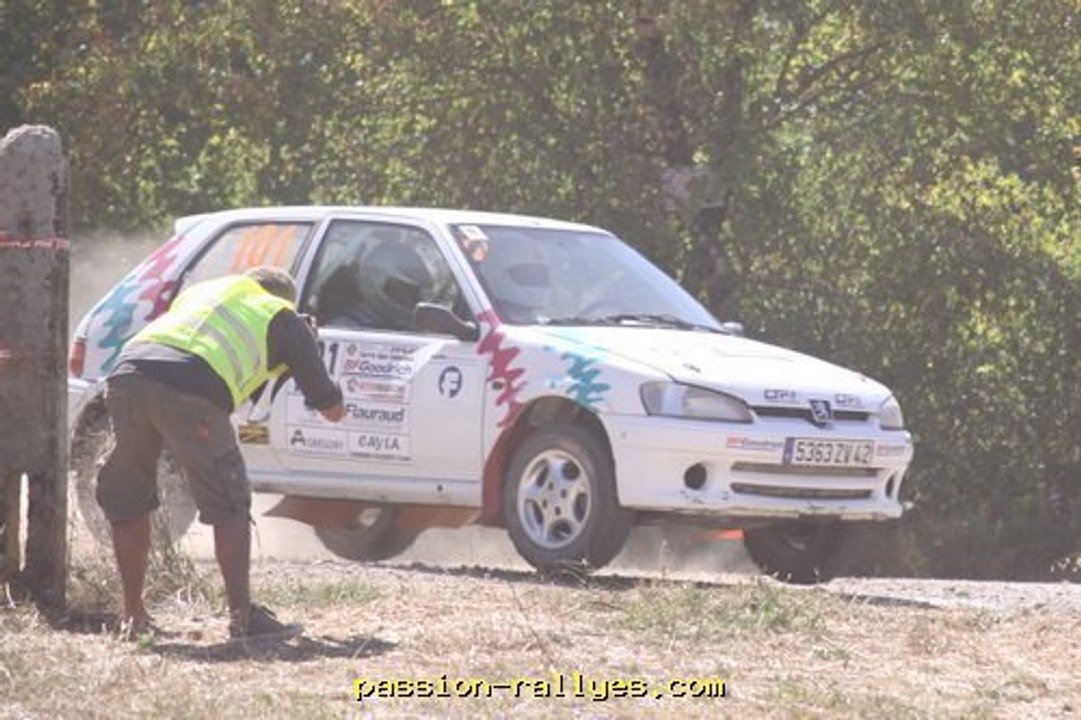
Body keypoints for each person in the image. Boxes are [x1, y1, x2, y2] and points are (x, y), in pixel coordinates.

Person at [96, 266, 345, 641]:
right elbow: (330, 407)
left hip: (126, 375)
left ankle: (133, 615)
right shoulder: (281, 315)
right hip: (191, 388)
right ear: (285, 299)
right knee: (230, 503)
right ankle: (243, 620)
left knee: (129, 497)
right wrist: (304, 343)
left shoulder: (205, 293)